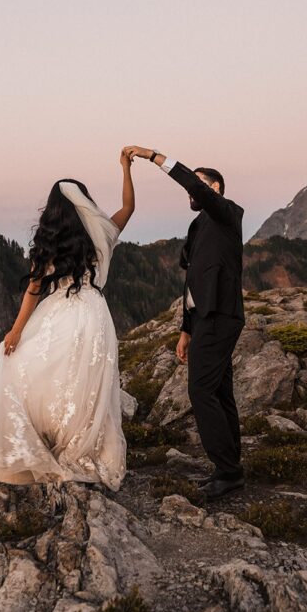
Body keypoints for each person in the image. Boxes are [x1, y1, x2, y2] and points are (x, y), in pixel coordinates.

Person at [0, 150, 136, 490]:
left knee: (36, 375)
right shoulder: (101, 235)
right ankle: (81, 446)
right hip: (94, 315)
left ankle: (43, 443)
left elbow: (34, 290)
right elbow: (128, 208)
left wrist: (16, 331)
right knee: (85, 383)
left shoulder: (50, 243)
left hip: (59, 311)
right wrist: (125, 169)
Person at [124, 145, 245, 500]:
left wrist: (153, 156)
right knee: (220, 392)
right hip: (204, 318)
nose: (193, 192)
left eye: (201, 185)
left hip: (221, 316)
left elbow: (195, 185)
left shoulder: (227, 214)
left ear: (215, 189)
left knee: (200, 391)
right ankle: (230, 469)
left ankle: (228, 471)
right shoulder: (199, 226)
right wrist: (186, 329)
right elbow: (193, 280)